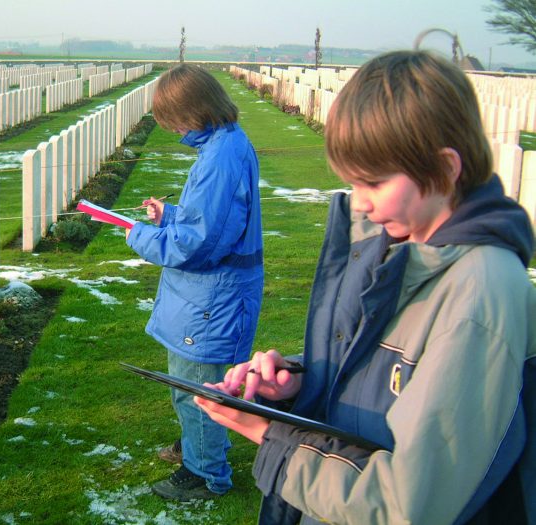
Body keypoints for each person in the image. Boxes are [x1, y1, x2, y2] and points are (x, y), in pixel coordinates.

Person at [195, 50, 536, 524]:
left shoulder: (481, 293)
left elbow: (410, 504)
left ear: (445, 168)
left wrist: (270, 438)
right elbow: (390, 377)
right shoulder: (397, 244)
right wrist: (300, 383)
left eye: (373, 182)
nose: (361, 203)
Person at [125, 63, 264, 500]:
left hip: (212, 296)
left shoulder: (222, 157)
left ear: (195, 110)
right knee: (194, 381)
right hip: (207, 293)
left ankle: (205, 474)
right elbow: (214, 223)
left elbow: (198, 245)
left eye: (176, 121)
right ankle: (200, 445)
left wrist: (141, 236)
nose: (175, 130)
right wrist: (169, 216)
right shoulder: (223, 145)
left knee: (196, 386)